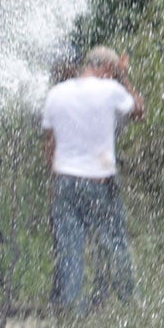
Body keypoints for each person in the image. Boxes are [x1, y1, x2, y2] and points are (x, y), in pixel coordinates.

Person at [42, 44, 145, 309]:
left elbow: (49, 144)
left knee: (70, 250)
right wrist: (123, 77)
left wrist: (53, 182)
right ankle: (128, 304)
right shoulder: (111, 89)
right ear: (108, 69)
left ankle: (71, 310)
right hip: (99, 180)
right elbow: (139, 111)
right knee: (114, 242)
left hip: (64, 180)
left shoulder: (56, 93)